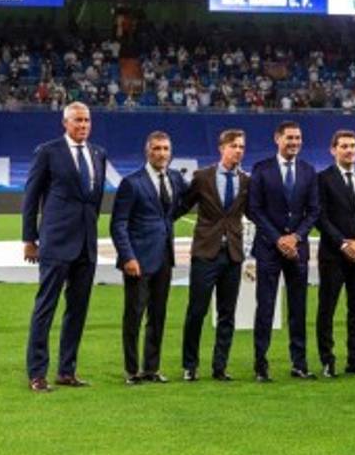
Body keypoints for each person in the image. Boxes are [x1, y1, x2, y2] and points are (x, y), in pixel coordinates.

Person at [21, 101, 107, 392]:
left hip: (86, 245)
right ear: (65, 123)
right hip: (56, 243)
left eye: (87, 121)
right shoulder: (48, 152)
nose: (83, 125)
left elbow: (94, 201)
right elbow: (31, 198)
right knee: (45, 307)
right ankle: (36, 373)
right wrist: (29, 240)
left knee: (78, 310)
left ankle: (66, 371)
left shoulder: (98, 154)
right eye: (78, 120)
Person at [110, 130, 187, 384]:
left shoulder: (175, 178)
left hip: (164, 257)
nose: (162, 153)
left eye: (165, 148)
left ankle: (151, 369)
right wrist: (128, 257)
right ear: (147, 151)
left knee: (158, 315)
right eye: (157, 148)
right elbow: (118, 224)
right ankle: (132, 371)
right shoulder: (132, 183)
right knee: (134, 315)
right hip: (138, 261)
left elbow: (174, 211)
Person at [247, 120, 321, 382]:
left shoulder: (308, 171)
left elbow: (314, 211)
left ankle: (299, 364)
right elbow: (254, 209)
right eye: (289, 138)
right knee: (265, 307)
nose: (294, 143)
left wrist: (296, 237)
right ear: (277, 139)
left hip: (297, 250)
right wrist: (280, 238)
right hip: (269, 248)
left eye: (298, 138)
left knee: (298, 309)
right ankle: (260, 365)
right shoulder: (262, 169)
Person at [179, 128, 249, 382]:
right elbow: (181, 206)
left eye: (241, 147)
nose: (238, 151)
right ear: (222, 148)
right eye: (234, 146)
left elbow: (254, 212)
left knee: (227, 314)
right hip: (205, 253)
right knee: (196, 311)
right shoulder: (202, 177)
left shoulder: (246, 181)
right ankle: (190, 365)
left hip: (232, 255)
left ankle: (220, 366)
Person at [315, 129, 355, 378]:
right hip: (333, 255)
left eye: (353, 145)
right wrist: (344, 243)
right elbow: (320, 217)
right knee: (327, 309)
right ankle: (327, 360)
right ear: (333, 150)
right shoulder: (322, 179)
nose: (350, 150)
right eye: (344, 146)